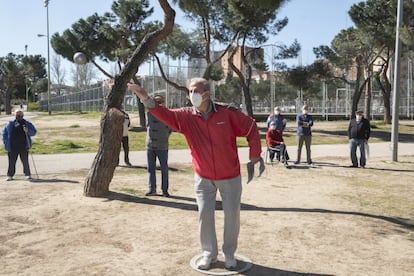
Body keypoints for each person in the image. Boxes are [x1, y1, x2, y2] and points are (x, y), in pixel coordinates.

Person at [128, 77, 262, 271]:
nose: (192, 95)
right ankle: (209, 253)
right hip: (203, 177)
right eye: (190, 91)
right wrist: (144, 97)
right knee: (204, 215)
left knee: (232, 215)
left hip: (230, 176)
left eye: (196, 91)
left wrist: (255, 155)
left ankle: (230, 253)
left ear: (207, 94)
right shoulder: (186, 116)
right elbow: (161, 112)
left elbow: (250, 127)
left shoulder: (227, 113)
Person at [145, 95, 172, 197]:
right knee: (151, 168)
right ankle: (152, 189)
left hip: (162, 145)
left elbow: (170, 128)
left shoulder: (166, 113)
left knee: (164, 169)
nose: (158, 104)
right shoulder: (149, 113)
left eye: (159, 102)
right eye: (156, 101)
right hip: (150, 145)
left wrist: (164, 137)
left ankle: (165, 190)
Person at [2, 109, 37, 181]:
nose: (19, 116)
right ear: (14, 115)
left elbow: (33, 132)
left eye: (21, 115)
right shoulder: (10, 123)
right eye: (18, 115)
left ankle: (27, 174)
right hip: (12, 146)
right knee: (11, 162)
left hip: (24, 145)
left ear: (23, 115)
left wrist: (28, 131)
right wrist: (5, 142)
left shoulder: (27, 123)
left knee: (25, 161)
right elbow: (4, 133)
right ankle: (10, 175)